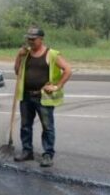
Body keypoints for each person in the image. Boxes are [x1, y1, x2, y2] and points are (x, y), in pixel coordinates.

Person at [13, 26, 72, 167]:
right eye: (28, 39)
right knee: (25, 126)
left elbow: (68, 70)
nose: (30, 41)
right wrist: (19, 56)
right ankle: (27, 151)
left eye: (33, 39)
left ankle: (48, 154)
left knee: (47, 127)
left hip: (43, 97)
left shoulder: (51, 54)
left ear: (41, 39)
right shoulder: (25, 54)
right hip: (26, 96)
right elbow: (17, 72)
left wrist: (57, 86)